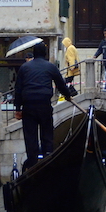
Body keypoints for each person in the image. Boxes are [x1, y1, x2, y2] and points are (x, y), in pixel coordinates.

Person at [14, 42, 71, 170]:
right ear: (45, 54)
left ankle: (32, 163)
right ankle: (48, 158)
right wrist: (67, 96)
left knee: (30, 136)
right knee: (47, 134)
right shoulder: (50, 67)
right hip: (44, 105)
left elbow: (18, 89)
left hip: (28, 106)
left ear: (33, 54)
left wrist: (17, 109)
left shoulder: (24, 68)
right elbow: (61, 85)